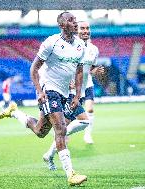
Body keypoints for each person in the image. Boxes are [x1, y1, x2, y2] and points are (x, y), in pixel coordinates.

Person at [0, 12, 87, 186]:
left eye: (75, 20)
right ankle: (71, 174)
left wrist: (76, 95)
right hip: (49, 90)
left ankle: (14, 112)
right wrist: (39, 91)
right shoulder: (51, 43)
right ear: (62, 25)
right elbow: (34, 68)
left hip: (64, 93)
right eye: (71, 20)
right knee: (61, 129)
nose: (75, 23)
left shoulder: (80, 46)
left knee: (40, 131)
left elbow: (79, 71)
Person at [42, 20, 104, 171]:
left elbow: (88, 67)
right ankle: (50, 154)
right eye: (82, 28)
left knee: (84, 117)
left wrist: (95, 72)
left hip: (86, 87)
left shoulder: (94, 49)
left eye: (87, 28)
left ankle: (52, 152)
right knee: (67, 126)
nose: (85, 31)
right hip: (70, 91)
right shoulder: (70, 47)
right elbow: (63, 67)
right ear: (76, 30)